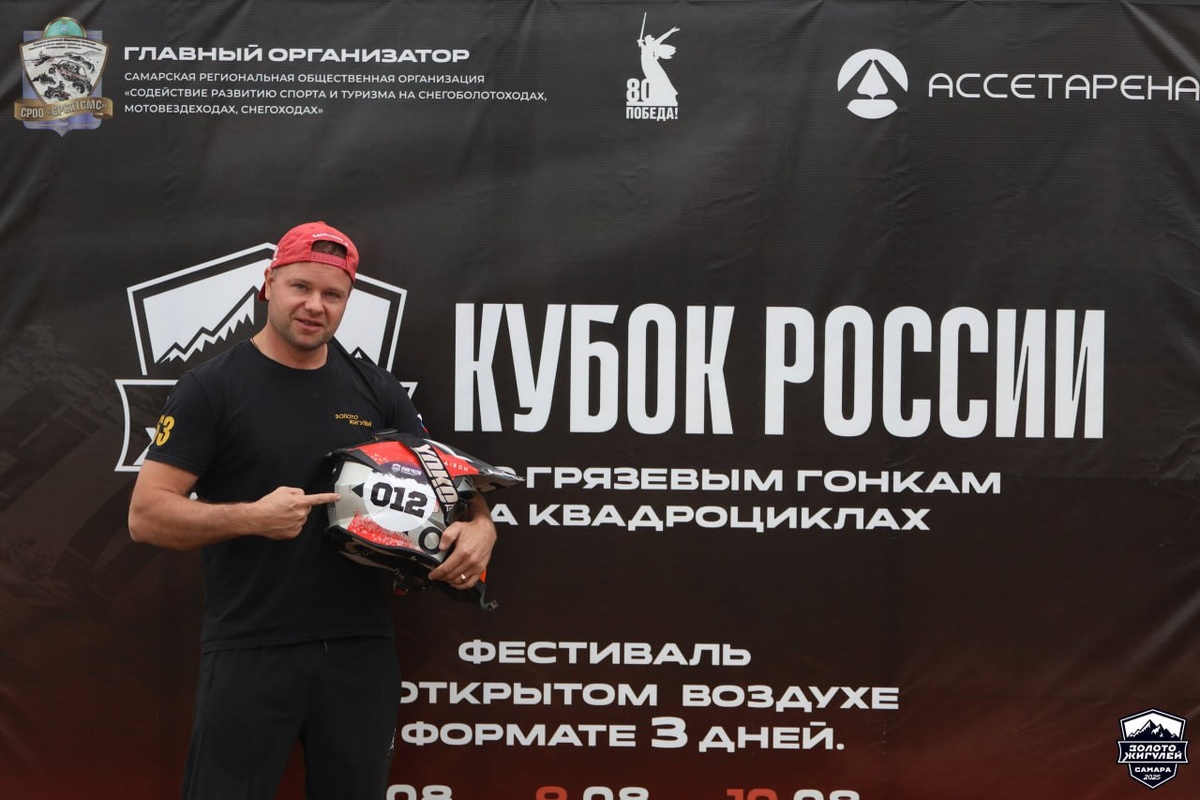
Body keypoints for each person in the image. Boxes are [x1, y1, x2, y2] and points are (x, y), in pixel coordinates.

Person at [127, 221, 498, 800]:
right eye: (300, 287)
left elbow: (449, 482)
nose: (314, 306)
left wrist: (481, 525)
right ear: (268, 284)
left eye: (332, 294)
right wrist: (251, 517)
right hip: (251, 644)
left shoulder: (376, 389)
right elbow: (147, 515)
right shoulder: (211, 387)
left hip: (359, 647)